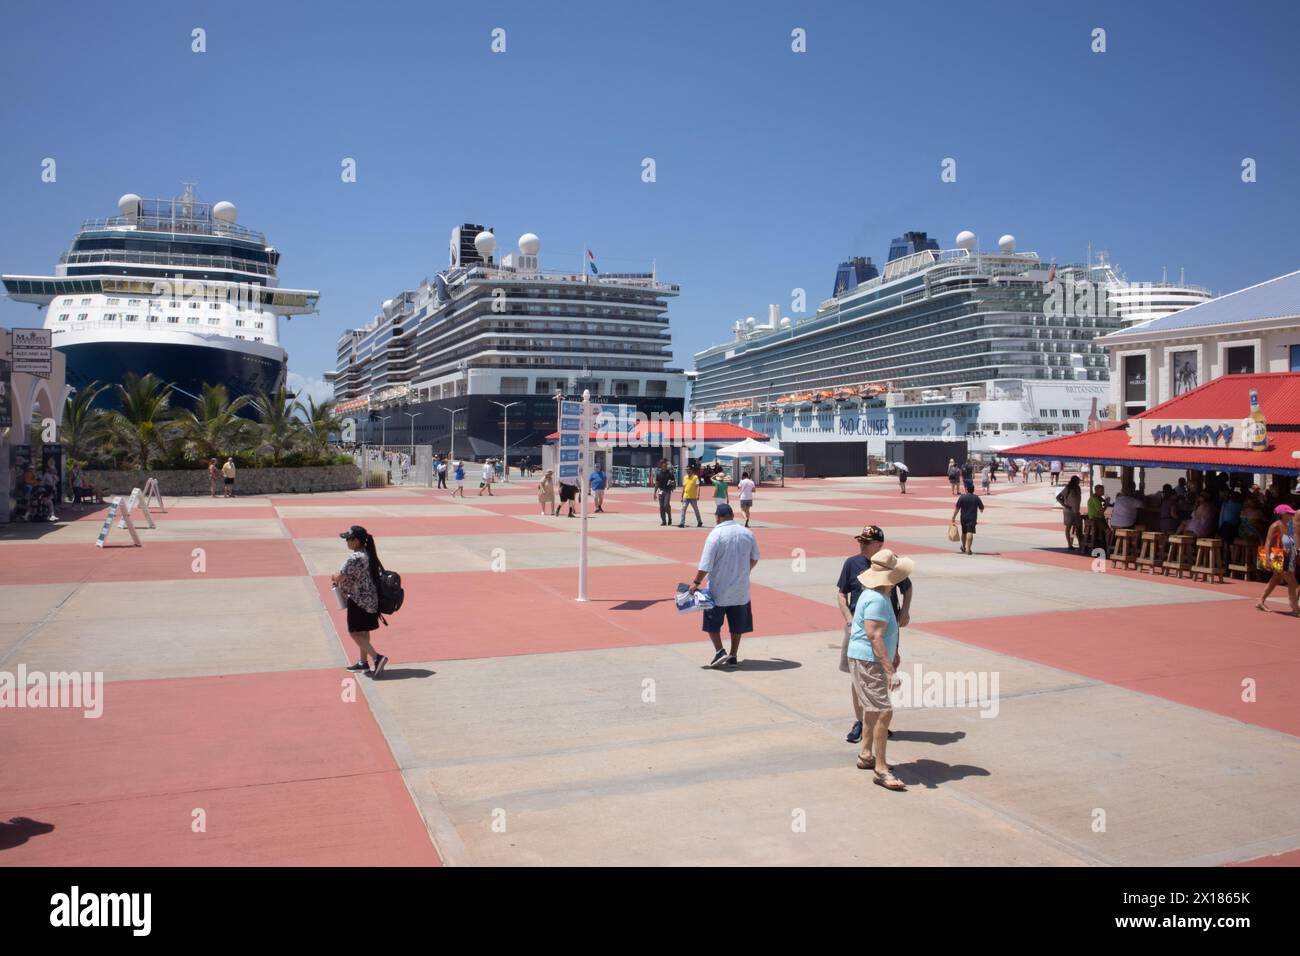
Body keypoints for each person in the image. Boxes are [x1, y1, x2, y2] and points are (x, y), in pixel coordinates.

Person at [836, 525, 913, 744]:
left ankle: (877, 721)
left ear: (880, 545)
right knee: (857, 678)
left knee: (882, 674)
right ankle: (860, 721)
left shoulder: (891, 565)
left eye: (867, 542)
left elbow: (907, 588)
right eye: (860, 541)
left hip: (886, 629)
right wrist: (849, 620)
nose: (862, 545)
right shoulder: (852, 563)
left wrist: (905, 611)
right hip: (858, 630)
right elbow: (841, 594)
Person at [848, 548, 914, 792]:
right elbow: (874, 635)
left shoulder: (879, 594)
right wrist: (889, 670)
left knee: (873, 709)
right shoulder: (876, 599)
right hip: (869, 660)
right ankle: (881, 769)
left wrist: (893, 653)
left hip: (869, 658)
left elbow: (882, 634)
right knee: (884, 711)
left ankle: (866, 755)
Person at [687, 502, 760, 668]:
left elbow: (705, 565)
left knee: (712, 622)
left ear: (717, 518)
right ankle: (733, 656)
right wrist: (745, 571)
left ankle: (720, 650)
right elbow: (755, 557)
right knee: (737, 625)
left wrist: (696, 583)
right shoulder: (747, 533)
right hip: (741, 590)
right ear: (732, 516)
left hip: (718, 590)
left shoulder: (715, 535)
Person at [331, 525, 389, 678]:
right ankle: (363, 662)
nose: (347, 542)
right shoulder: (367, 554)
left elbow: (340, 576)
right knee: (363, 631)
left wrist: (334, 576)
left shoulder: (355, 558)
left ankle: (377, 658)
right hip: (370, 599)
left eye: (348, 539)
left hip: (358, 600)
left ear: (356, 541)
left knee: (354, 633)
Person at [1257, 504, 1300, 615]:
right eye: (1289, 513)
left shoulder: (1288, 525)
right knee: (1292, 582)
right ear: (1283, 514)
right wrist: (1267, 558)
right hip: (1278, 558)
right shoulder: (1276, 525)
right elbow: (1268, 542)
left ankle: (1261, 601)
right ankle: (1295, 608)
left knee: (1276, 579)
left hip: (1286, 558)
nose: (1292, 515)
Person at [952, 485, 984, 554]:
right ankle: (968, 549)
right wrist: (981, 510)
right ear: (973, 490)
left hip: (963, 517)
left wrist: (953, 517)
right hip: (972, 518)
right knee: (970, 532)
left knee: (964, 532)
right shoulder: (976, 498)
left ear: (966, 489)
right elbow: (981, 508)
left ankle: (963, 547)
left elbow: (957, 508)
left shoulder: (962, 497)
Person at [1086, 485, 1110, 551]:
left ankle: (1104, 546)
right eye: (1101, 490)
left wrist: (1105, 501)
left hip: (1097, 517)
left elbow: (1103, 501)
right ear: (1096, 491)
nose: (1103, 492)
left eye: (1103, 490)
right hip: (1096, 518)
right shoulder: (1095, 499)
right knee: (1108, 531)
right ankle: (1107, 548)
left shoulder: (1097, 497)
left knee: (1103, 532)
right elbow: (1101, 512)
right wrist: (1107, 504)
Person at [654, 459, 676, 527]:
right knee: (661, 507)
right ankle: (663, 521)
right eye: (664, 465)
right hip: (661, 490)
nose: (665, 466)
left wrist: (672, 483)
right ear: (661, 466)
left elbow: (674, 483)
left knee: (666, 505)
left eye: (666, 465)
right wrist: (654, 493)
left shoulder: (670, 473)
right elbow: (657, 484)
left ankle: (669, 517)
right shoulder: (658, 473)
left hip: (667, 490)